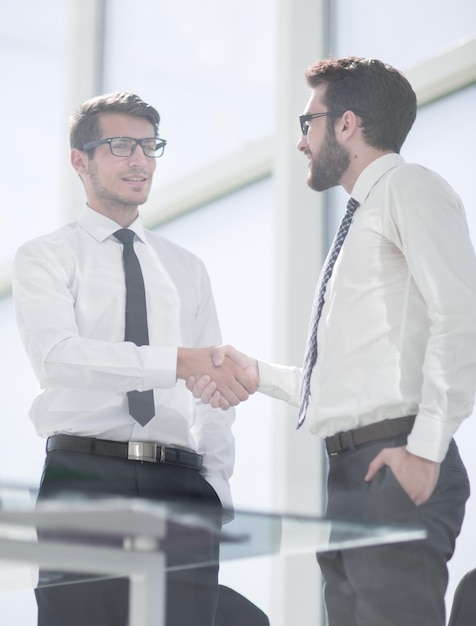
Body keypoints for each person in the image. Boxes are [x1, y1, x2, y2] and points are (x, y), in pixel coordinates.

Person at [189, 57, 476, 626]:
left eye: (308, 122)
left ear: (346, 124)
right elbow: (351, 382)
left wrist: (423, 451)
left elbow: (463, 317)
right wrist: (258, 374)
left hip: (395, 460)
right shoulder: (362, 218)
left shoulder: (408, 188)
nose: (301, 142)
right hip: (351, 474)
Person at [12, 91, 256, 626]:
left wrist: (215, 488)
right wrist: (175, 362)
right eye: (122, 146)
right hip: (86, 477)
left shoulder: (186, 268)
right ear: (81, 160)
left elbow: (212, 386)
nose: (140, 161)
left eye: (149, 146)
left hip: (180, 484)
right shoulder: (44, 257)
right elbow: (59, 358)